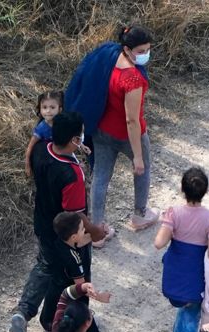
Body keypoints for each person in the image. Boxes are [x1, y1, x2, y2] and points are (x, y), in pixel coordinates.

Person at [9, 112, 105, 332]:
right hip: (67, 235)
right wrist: (95, 231)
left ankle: (26, 312)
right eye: (79, 135)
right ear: (74, 139)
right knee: (74, 277)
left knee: (46, 267)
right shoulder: (72, 174)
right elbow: (76, 215)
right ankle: (75, 327)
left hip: (42, 223)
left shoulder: (41, 150)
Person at [66, 25, 158, 239]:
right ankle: (140, 215)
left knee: (100, 177)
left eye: (148, 50)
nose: (145, 55)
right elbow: (132, 120)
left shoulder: (108, 55)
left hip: (101, 130)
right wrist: (137, 157)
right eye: (141, 51)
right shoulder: (132, 78)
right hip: (127, 135)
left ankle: (97, 230)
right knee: (143, 170)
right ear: (127, 49)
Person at [153, 167, 209, 332]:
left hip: (173, 278)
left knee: (181, 309)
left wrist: (169, 226)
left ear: (182, 189)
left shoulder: (173, 213)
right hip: (194, 279)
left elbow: (159, 243)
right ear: (205, 190)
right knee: (191, 319)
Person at [25, 90, 63, 178]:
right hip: (44, 159)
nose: (48, 111)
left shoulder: (62, 123)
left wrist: (81, 145)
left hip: (58, 156)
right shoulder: (41, 128)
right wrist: (27, 165)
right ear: (40, 109)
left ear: (60, 109)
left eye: (52, 107)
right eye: (44, 107)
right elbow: (30, 146)